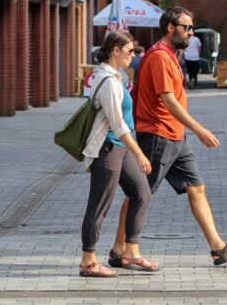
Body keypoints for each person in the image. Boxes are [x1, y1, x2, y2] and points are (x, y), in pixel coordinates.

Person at [110, 7, 227, 268]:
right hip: (157, 134)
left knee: (196, 186)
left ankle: (218, 247)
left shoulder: (170, 55)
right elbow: (169, 101)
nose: (191, 32)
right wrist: (200, 130)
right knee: (138, 193)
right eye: (187, 27)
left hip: (175, 135)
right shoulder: (159, 57)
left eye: (191, 28)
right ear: (170, 28)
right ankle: (120, 249)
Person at [78, 31, 159, 278]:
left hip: (121, 149)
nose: (133, 56)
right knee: (100, 203)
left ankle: (130, 251)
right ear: (115, 49)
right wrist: (140, 154)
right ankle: (88, 261)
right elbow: (118, 125)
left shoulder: (118, 76)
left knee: (141, 193)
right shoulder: (108, 80)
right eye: (129, 51)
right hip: (108, 149)